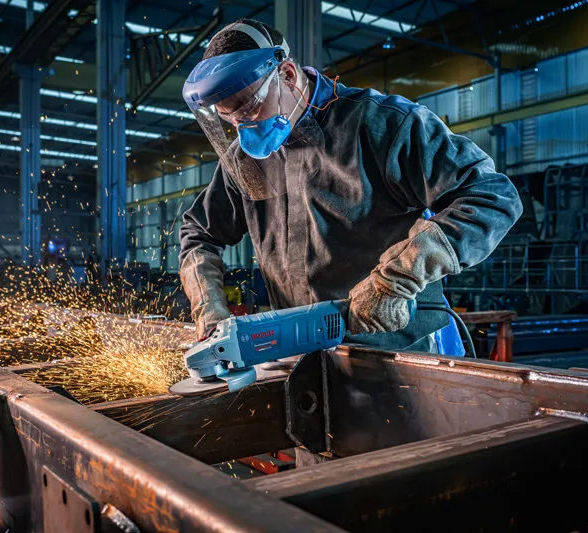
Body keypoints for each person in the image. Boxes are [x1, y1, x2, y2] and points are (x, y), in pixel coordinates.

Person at [177, 19, 523, 463]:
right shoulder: (245, 161)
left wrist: (399, 277)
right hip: (310, 376)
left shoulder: (379, 124)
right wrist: (209, 310)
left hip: (407, 361)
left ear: (285, 75)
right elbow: (198, 234)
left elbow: (492, 195)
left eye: (248, 106)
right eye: (230, 116)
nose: (244, 125)